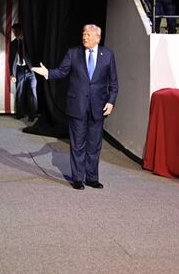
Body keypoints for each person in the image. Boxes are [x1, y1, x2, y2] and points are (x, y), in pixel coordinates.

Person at [32, 24, 118, 190]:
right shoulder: (73, 53)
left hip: (98, 107)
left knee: (94, 145)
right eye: (83, 34)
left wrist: (111, 101)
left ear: (97, 38)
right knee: (78, 144)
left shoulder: (108, 55)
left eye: (88, 35)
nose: (84, 37)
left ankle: (92, 178)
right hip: (77, 106)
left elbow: (113, 82)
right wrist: (48, 73)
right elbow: (62, 71)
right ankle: (78, 178)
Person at [9, 22, 37, 121]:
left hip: (30, 69)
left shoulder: (28, 41)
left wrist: (35, 68)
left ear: (19, 31)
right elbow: (10, 59)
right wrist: (12, 74)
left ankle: (33, 115)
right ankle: (20, 114)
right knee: (19, 92)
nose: (13, 33)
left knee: (32, 92)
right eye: (13, 31)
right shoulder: (13, 44)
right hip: (19, 69)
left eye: (14, 31)